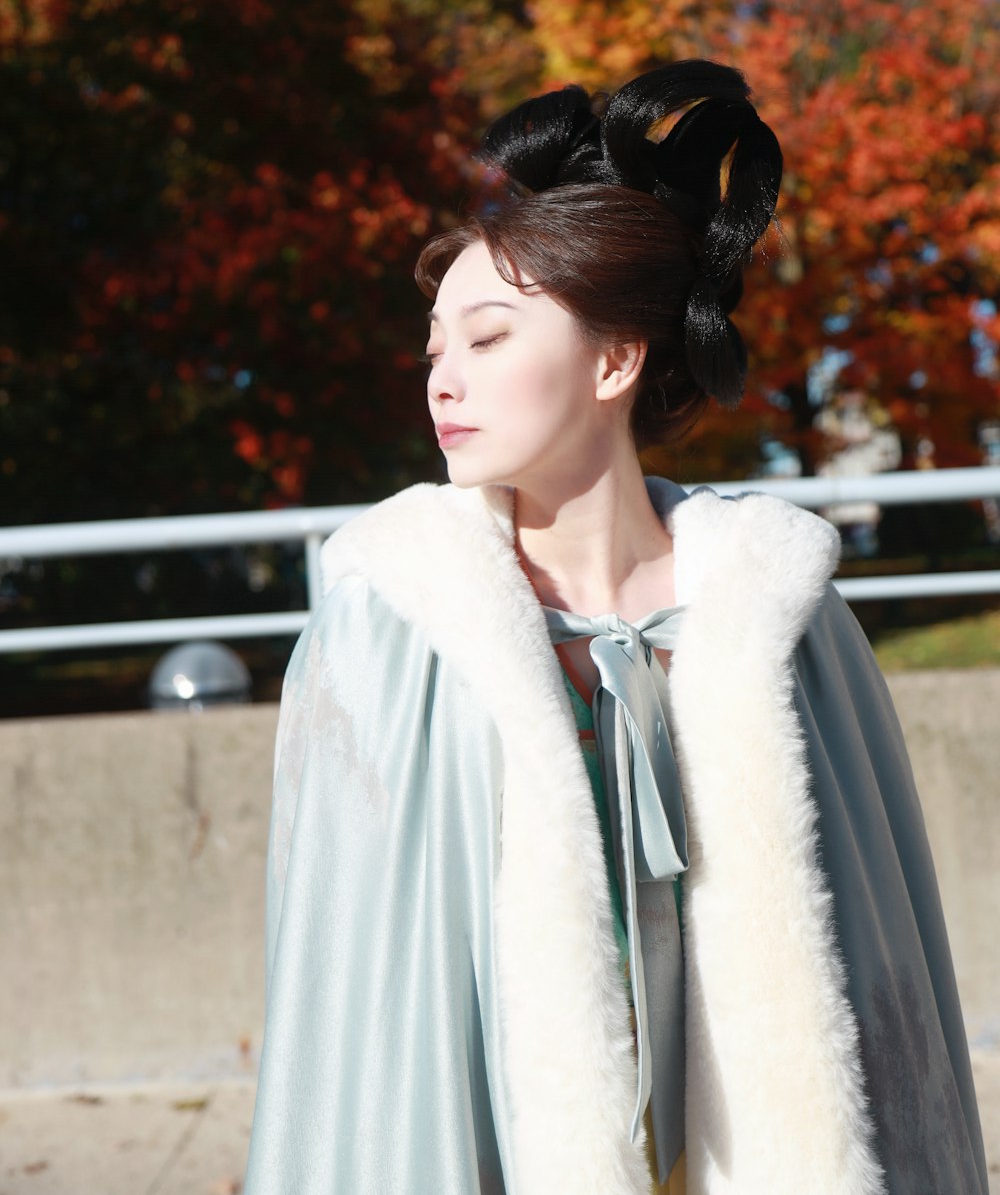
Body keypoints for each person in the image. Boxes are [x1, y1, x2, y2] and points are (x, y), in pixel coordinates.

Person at [243, 61, 987, 1195]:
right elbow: (360, 1013)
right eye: (434, 345)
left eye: (486, 338)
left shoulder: (778, 612)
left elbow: (883, 991)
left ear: (614, 359)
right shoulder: (396, 626)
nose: (441, 378)